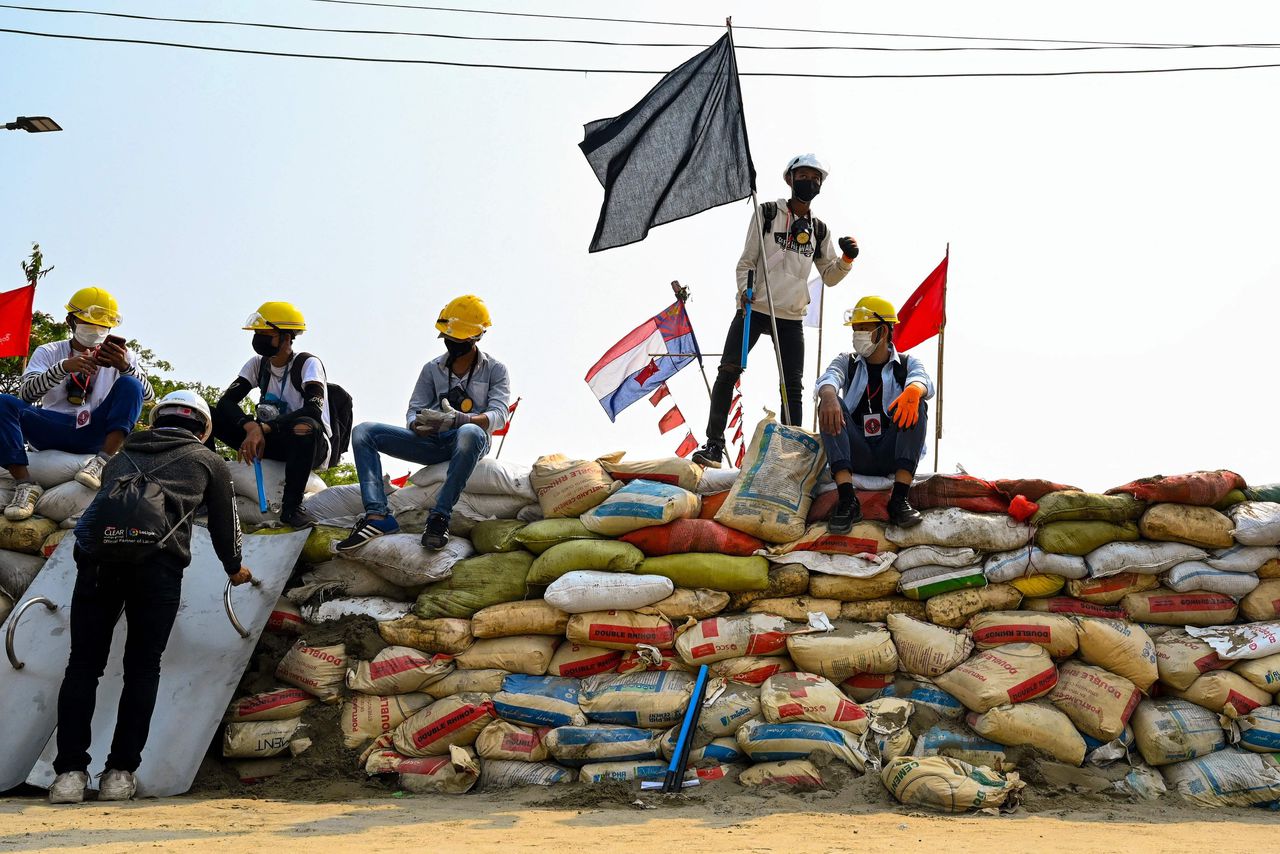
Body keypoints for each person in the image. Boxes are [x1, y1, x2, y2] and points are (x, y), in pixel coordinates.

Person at [48, 390, 249, 804]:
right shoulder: (208, 461)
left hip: (98, 564)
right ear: (203, 428)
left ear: (157, 420)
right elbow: (226, 523)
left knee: (83, 666)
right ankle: (119, 774)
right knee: (142, 668)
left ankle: (68, 775)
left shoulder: (122, 455)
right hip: (156, 568)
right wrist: (234, 567)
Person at [693, 154, 858, 468]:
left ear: (820, 186)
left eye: (815, 179)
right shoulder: (767, 213)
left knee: (791, 386)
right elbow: (745, 262)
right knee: (728, 369)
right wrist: (745, 292)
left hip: (791, 315)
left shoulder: (819, 230)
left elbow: (831, 276)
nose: (809, 182)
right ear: (790, 179)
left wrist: (847, 260)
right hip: (755, 306)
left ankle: (790, 452)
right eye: (803, 176)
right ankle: (714, 444)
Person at [336, 295, 510, 553]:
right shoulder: (432, 369)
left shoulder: (495, 370)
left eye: (458, 338)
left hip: (470, 442)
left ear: (476, 337)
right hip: (433, 441)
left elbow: (499, 414)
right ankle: (377, 515)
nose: (452, 342)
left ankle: (440, 517)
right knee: (363, 432)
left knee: (469, 432)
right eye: (449, 337)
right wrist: (417, 424)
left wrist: (460, 419)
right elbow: (414, 409)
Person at [0, 287, 155, 520]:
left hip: (94, 431)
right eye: (88, 324)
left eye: (102, 327)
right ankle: (24, 484)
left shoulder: (124, 356)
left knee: (131, 384)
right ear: (70, 321)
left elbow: (148, 395)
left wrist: (125, 367)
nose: (95, 331)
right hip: (52, 427)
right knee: (3, 402)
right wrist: (63, 368)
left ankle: (102, 462)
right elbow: (26, 394)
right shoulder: (50, 351)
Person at [815, 296, 933, 531]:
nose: (858, 334)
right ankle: (848, 501)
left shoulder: (907, 364)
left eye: (865, 328)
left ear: (885, 331)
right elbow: (830, 377)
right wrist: (827, 395)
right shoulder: (846, 362)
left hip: (891, 452)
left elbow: (923, 380)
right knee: (829, 404)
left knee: (916, 404)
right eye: (856, 329)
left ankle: (899, 499)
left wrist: (914, 389)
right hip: (856, 452)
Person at [211, 302, 330, 527]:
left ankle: (291, 508)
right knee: (206, 414)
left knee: (304, 425)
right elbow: (226, 402)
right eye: (257, 333)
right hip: (265, 439)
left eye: (266, 334)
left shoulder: (307, 364)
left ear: (286, 338)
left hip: (305, 443)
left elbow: (313, 410)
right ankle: (206, 486)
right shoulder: (258, 365)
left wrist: (265, 428)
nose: (259, 338)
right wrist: (249, 426)